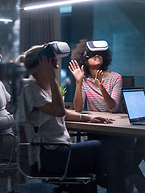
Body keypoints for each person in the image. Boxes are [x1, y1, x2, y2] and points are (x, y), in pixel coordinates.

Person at [16, 44, 126, 192]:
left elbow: (63, 113)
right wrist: (52, 79)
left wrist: (86, 118)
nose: (55, 67)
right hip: (49, 156)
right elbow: (59, 111)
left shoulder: (45, 89)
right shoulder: (31, 90)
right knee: (108, 149)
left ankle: (107, 181)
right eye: (51, 63)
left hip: (61, 151)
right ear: (37, 67)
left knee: (111, 162)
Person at [69, 39, 122, 113]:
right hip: (95, 121)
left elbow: (113, 108)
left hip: (114, 122)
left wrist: (101, 88)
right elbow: (78, 109)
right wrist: (79, 82)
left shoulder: (116, 78)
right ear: (84, 58)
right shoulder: (85, 80)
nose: (97, 55)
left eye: (100, 53)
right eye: (92, 54)